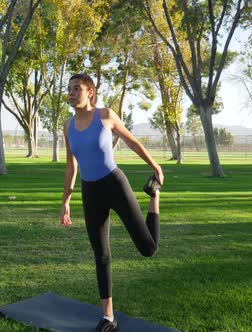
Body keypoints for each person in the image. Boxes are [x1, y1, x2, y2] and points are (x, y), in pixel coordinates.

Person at [60, 73, 164, 332]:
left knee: (148, 249)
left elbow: (131, 140)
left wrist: (155, 166)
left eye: (77, 89)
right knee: (101, 255)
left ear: (90, 92)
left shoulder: (105, 115)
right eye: (69, 89)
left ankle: (155, 196)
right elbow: (71, 165)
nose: (71, 93)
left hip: (115, 185)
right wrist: (66, 201)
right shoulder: (67, 125)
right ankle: (108, 316)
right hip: (90, 192)